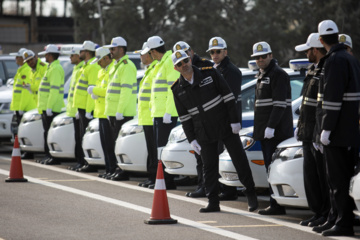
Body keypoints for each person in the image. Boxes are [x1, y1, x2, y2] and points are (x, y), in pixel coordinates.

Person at [171, 50, 258, 212]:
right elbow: (184, 118)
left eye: (185, 61)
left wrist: (234, 121)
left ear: (190, 60)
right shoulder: (177, 89)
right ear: (175, 68)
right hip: (202, 131)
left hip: (224, 125)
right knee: (209, 167)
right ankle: (213, 202)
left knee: (239, 161)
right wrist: (192, 139)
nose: (183, 65)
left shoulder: (210, 73)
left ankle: (251, 194)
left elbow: (228, 96)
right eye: (179, 64)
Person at [312, 20, 360, 237]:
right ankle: (339, 219)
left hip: (337, 132)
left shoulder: (333, 61)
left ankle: (343, 222)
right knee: (345, 178)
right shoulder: (350, 58)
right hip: (349, 130)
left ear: (321, 40)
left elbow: (332, 98)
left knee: (337, 179)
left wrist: (326, 129)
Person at [251, 41, 293, 215]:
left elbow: (279, 105)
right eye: (257, 57)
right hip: (266, 133)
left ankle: (277, 204)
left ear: (271, 55)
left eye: (263, 56)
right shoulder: (262, 74)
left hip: (276, 132)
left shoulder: (278, 74)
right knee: (269, 168)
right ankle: (275, 202)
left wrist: (270, 127)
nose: (260, 59)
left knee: (274, 168)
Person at [294, 33, 329, 227]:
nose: (306, 53)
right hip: (307, 133)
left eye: (307, 50)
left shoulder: (325, 70)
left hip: (317, 133)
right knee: (311, 178)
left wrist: (320, 132)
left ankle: (326, 213)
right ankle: (317, 213)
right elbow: (306, 104)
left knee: (322, 178)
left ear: (315, 50)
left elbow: (323, 106)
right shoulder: (313, 69)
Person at [172, 41, 213, 198]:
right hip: (196, 121)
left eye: (186, 53)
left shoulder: (204, 65)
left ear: (192, 51)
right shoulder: (181, 70)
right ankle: (203, 186)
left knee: (211, 158)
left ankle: (211, 188)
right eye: (179, 59)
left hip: (210, 119)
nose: (183, 60)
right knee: (200, 157)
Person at [207, 36, 244, 201]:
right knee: (219, 155)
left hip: (228, 122)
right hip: (217, 121)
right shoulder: (214, 69)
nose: (214, 54)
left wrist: (233, 121)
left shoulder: (232, 71)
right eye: (212, 52)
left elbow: (230, 99)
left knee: (229, 155)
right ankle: (225, 188)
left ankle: (231, 190)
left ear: (225, 52)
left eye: (218, 51)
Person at [141, 36, 179, 189]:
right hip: (158, 113)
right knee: (159, 150)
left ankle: (167, 182)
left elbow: (173, 89)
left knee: (163, 150)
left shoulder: (169, 61)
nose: (149, 55)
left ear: (154, 51)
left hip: (165, 114)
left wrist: (168, 112)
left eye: (150, 52)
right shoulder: (160, 64)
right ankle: (161, 180)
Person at [103, 36, 137, 181]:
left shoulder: (127, 66)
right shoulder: (115, 65)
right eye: (110, 48)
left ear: (122, 49)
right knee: (113, 143)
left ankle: (122, 170)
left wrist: (120, 110)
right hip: (113, 111)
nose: (110, 51)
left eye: (113, 48)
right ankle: (115, 168)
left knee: (119, 144)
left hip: (121, 113)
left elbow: (125, 91)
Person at [72, 41, 101, 172]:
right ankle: (83, 161)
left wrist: (89, 110)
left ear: (88, 52)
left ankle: (89, 163)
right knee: (81, 136)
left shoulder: (92, 67)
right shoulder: (85, 66)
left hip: (87, 108)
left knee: (85, 137)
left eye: (82, 51)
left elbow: (91, 91)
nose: (79, 54)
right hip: (81, 107)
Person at [88, 47, 115, 179]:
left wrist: (95, 91)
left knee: (110, 144)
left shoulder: (111, 71)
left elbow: (108, 91)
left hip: (108, 112)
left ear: (106, 58)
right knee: (104, 144)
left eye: (99, 60)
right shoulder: (102, 71)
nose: (98, 63)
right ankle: (108, 169)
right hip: (100, 112)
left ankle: (112, 169)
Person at [37, 44, 65, 165]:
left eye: (47, 55)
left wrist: (49, 106)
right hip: (46, 107)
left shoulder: (55, 69)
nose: (45, 57)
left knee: (50, 134)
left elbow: (54, 90)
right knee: (46, 133)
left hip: (51, 107)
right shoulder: (51, 67)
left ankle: (52, 156)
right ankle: (48, 155)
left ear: (51, 55)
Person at [137, 42, 158, 188]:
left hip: (151, 116)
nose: (140, 56)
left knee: (154, 149)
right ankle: (151, 177)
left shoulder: (155, 69)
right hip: (146, 116)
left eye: (143, 53)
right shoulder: (150, 69)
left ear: (150, 54)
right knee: (150, 150)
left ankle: (154, 177)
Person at [21, 49, 48, 160]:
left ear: (36, 57)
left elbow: (42, 85)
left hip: (47, 103)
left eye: (31, 60)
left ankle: (48, 155)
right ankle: (47, 155)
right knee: (44, 130)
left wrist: (31, 87)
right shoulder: (32, 70)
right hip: (40, 103)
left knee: (46, 131)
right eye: (27, 61)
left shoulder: (43, 67)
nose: (29, 63)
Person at [62, 46, 84, 169]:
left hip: (79, 109)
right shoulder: (77, 68)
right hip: (75, 109)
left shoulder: (81, 68)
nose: (70, 58)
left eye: (72, 55)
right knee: (77, 137)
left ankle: (82, 161)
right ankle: (79, 161)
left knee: (80, 137)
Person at [9, 48, 33, 126]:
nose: (15, 58)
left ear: (23, 58)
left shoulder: (26, 70)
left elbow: (26, 91)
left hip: (25, 108)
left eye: (17, 57)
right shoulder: (21, 70)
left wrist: (21, 107)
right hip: (22, 107)